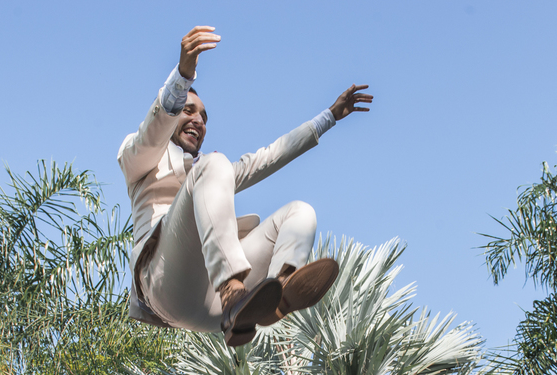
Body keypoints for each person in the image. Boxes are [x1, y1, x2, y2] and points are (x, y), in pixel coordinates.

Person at [119, 25, 372, 346]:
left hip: (212, 309)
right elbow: (150, 134)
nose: (199, 120)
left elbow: (270, 156)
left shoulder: (211, 175)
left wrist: (329, 116)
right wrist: (183, 76)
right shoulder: (140, 158)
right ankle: (232, 291)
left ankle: (279, 290)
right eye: (188, 110)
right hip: (164, 283)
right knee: (214, 164)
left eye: (205, 117)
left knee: (300, 212)